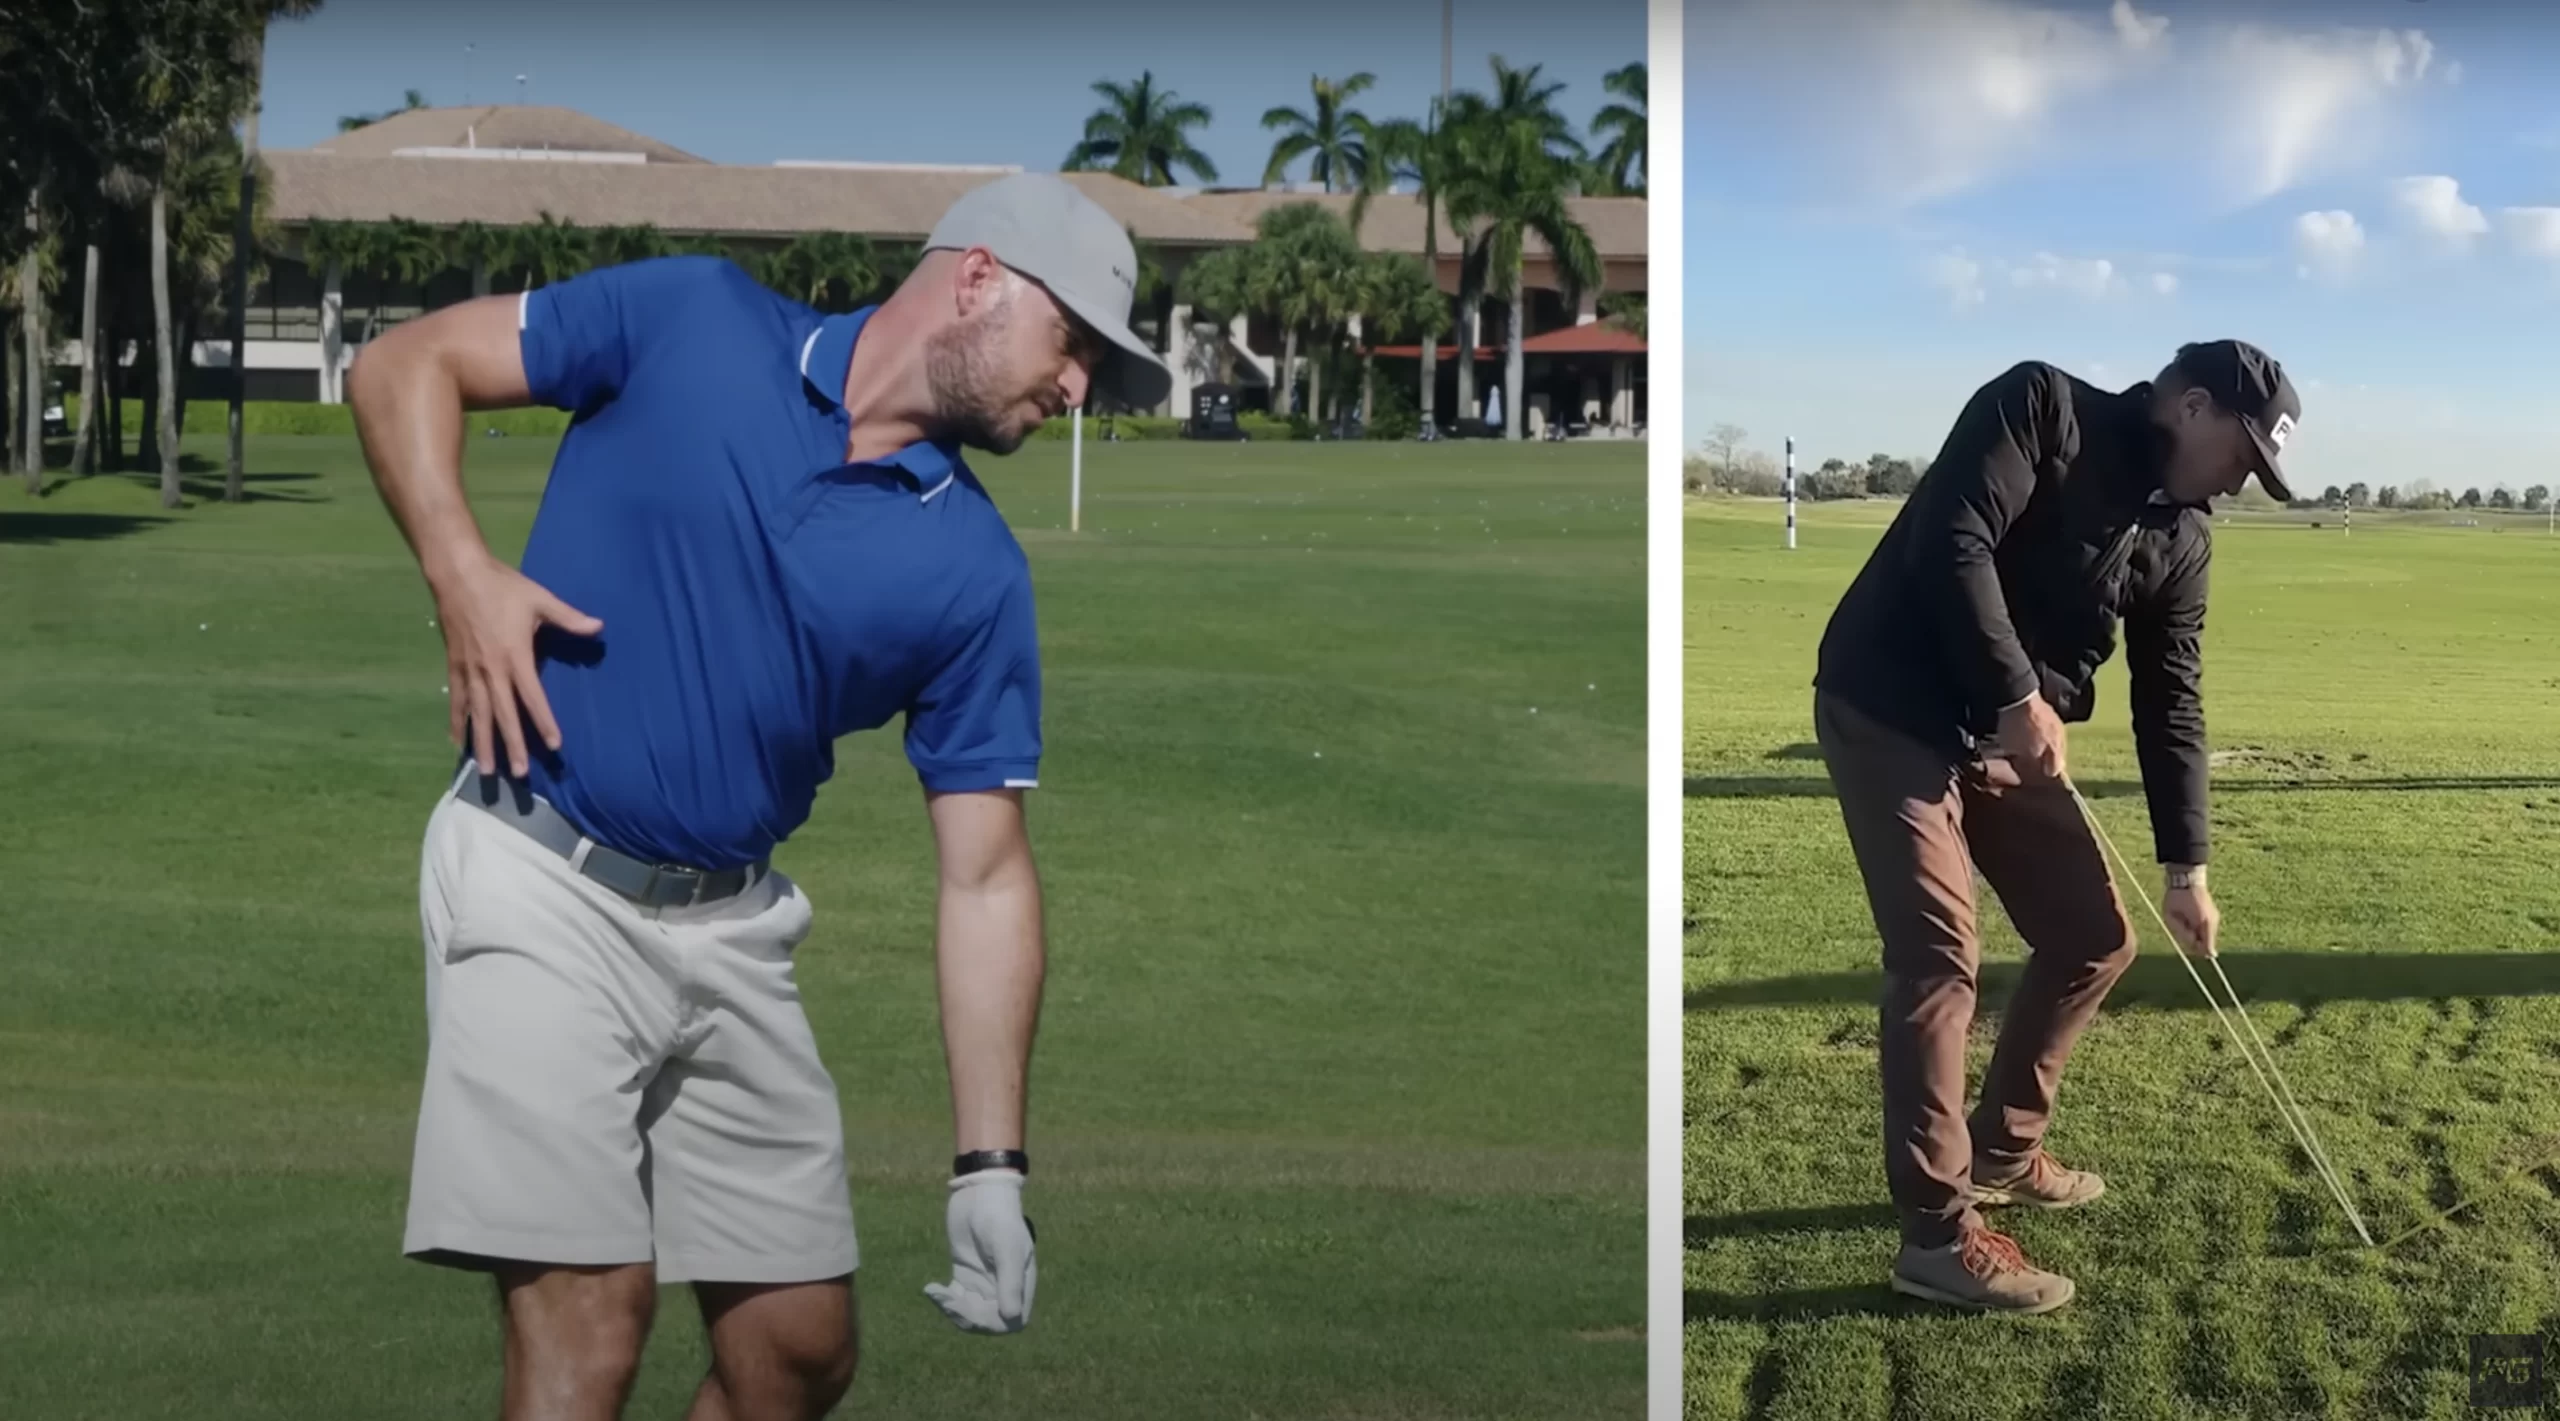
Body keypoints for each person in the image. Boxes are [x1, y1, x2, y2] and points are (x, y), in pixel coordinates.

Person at [348, 172, 1171, 1420]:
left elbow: (985, 873)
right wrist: (461, 571)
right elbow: (402, 365)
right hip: (537, 875)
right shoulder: (692, 317)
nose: (1075, 391)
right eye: (1073, 348)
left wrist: (988, 1169)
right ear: (980, 277)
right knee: (591, 1309)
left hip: (734, 933)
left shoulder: (973, 571)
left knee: (795, 1351)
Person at [1808, 340, 2302, 1315]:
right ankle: (1938, 1236)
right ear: (2191, 405)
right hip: (1891, 703)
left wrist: (2186, 867)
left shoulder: (2186, 538)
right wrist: (2017, 690)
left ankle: (2002, 1147)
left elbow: (2171, 703)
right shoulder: (2042, 406)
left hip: (2003, 739)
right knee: (1938, 956)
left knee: (2092, 935)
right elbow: (1953, 535)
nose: (2241, 481)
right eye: (2242, 456)